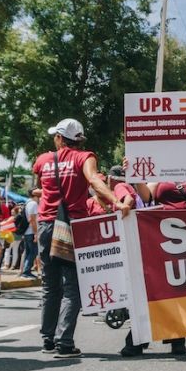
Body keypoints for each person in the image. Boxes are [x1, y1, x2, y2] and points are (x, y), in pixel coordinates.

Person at [34, 118, 130, 358]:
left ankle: (48, 340)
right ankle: (64, 342)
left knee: (50, 285)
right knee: (72, 286)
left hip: (46, 224)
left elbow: (41, 189)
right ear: (79, 140)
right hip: (70, 226)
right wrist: (116, 202)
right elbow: (95, 181)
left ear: (59, 138)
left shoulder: (42, 161)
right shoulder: (84, 157)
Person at [120, 163, 186, 357]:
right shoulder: (162, 167)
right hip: (162, 235)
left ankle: (177, 338)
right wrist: (135, 176)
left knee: (180, 288)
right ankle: (139, 337)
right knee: (155, 288)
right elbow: (147, 196)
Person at [20, 189, 40, 279]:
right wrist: (36, 233)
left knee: (28, 252)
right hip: (31, 232)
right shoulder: (33, 204)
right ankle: (26, 271)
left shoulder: (27, 203)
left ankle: (25, 270)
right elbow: (32, 220)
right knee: (33, 252)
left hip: (27, 232)